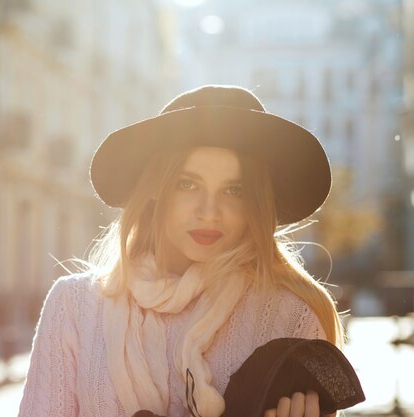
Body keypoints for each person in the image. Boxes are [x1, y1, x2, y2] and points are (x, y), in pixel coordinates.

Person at [17, 85, 344, 417]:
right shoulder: (74, 306)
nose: (209, 211)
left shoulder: (293, 315)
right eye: (188, 184)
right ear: (156, 187)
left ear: (256, 202)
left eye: (234, 190)